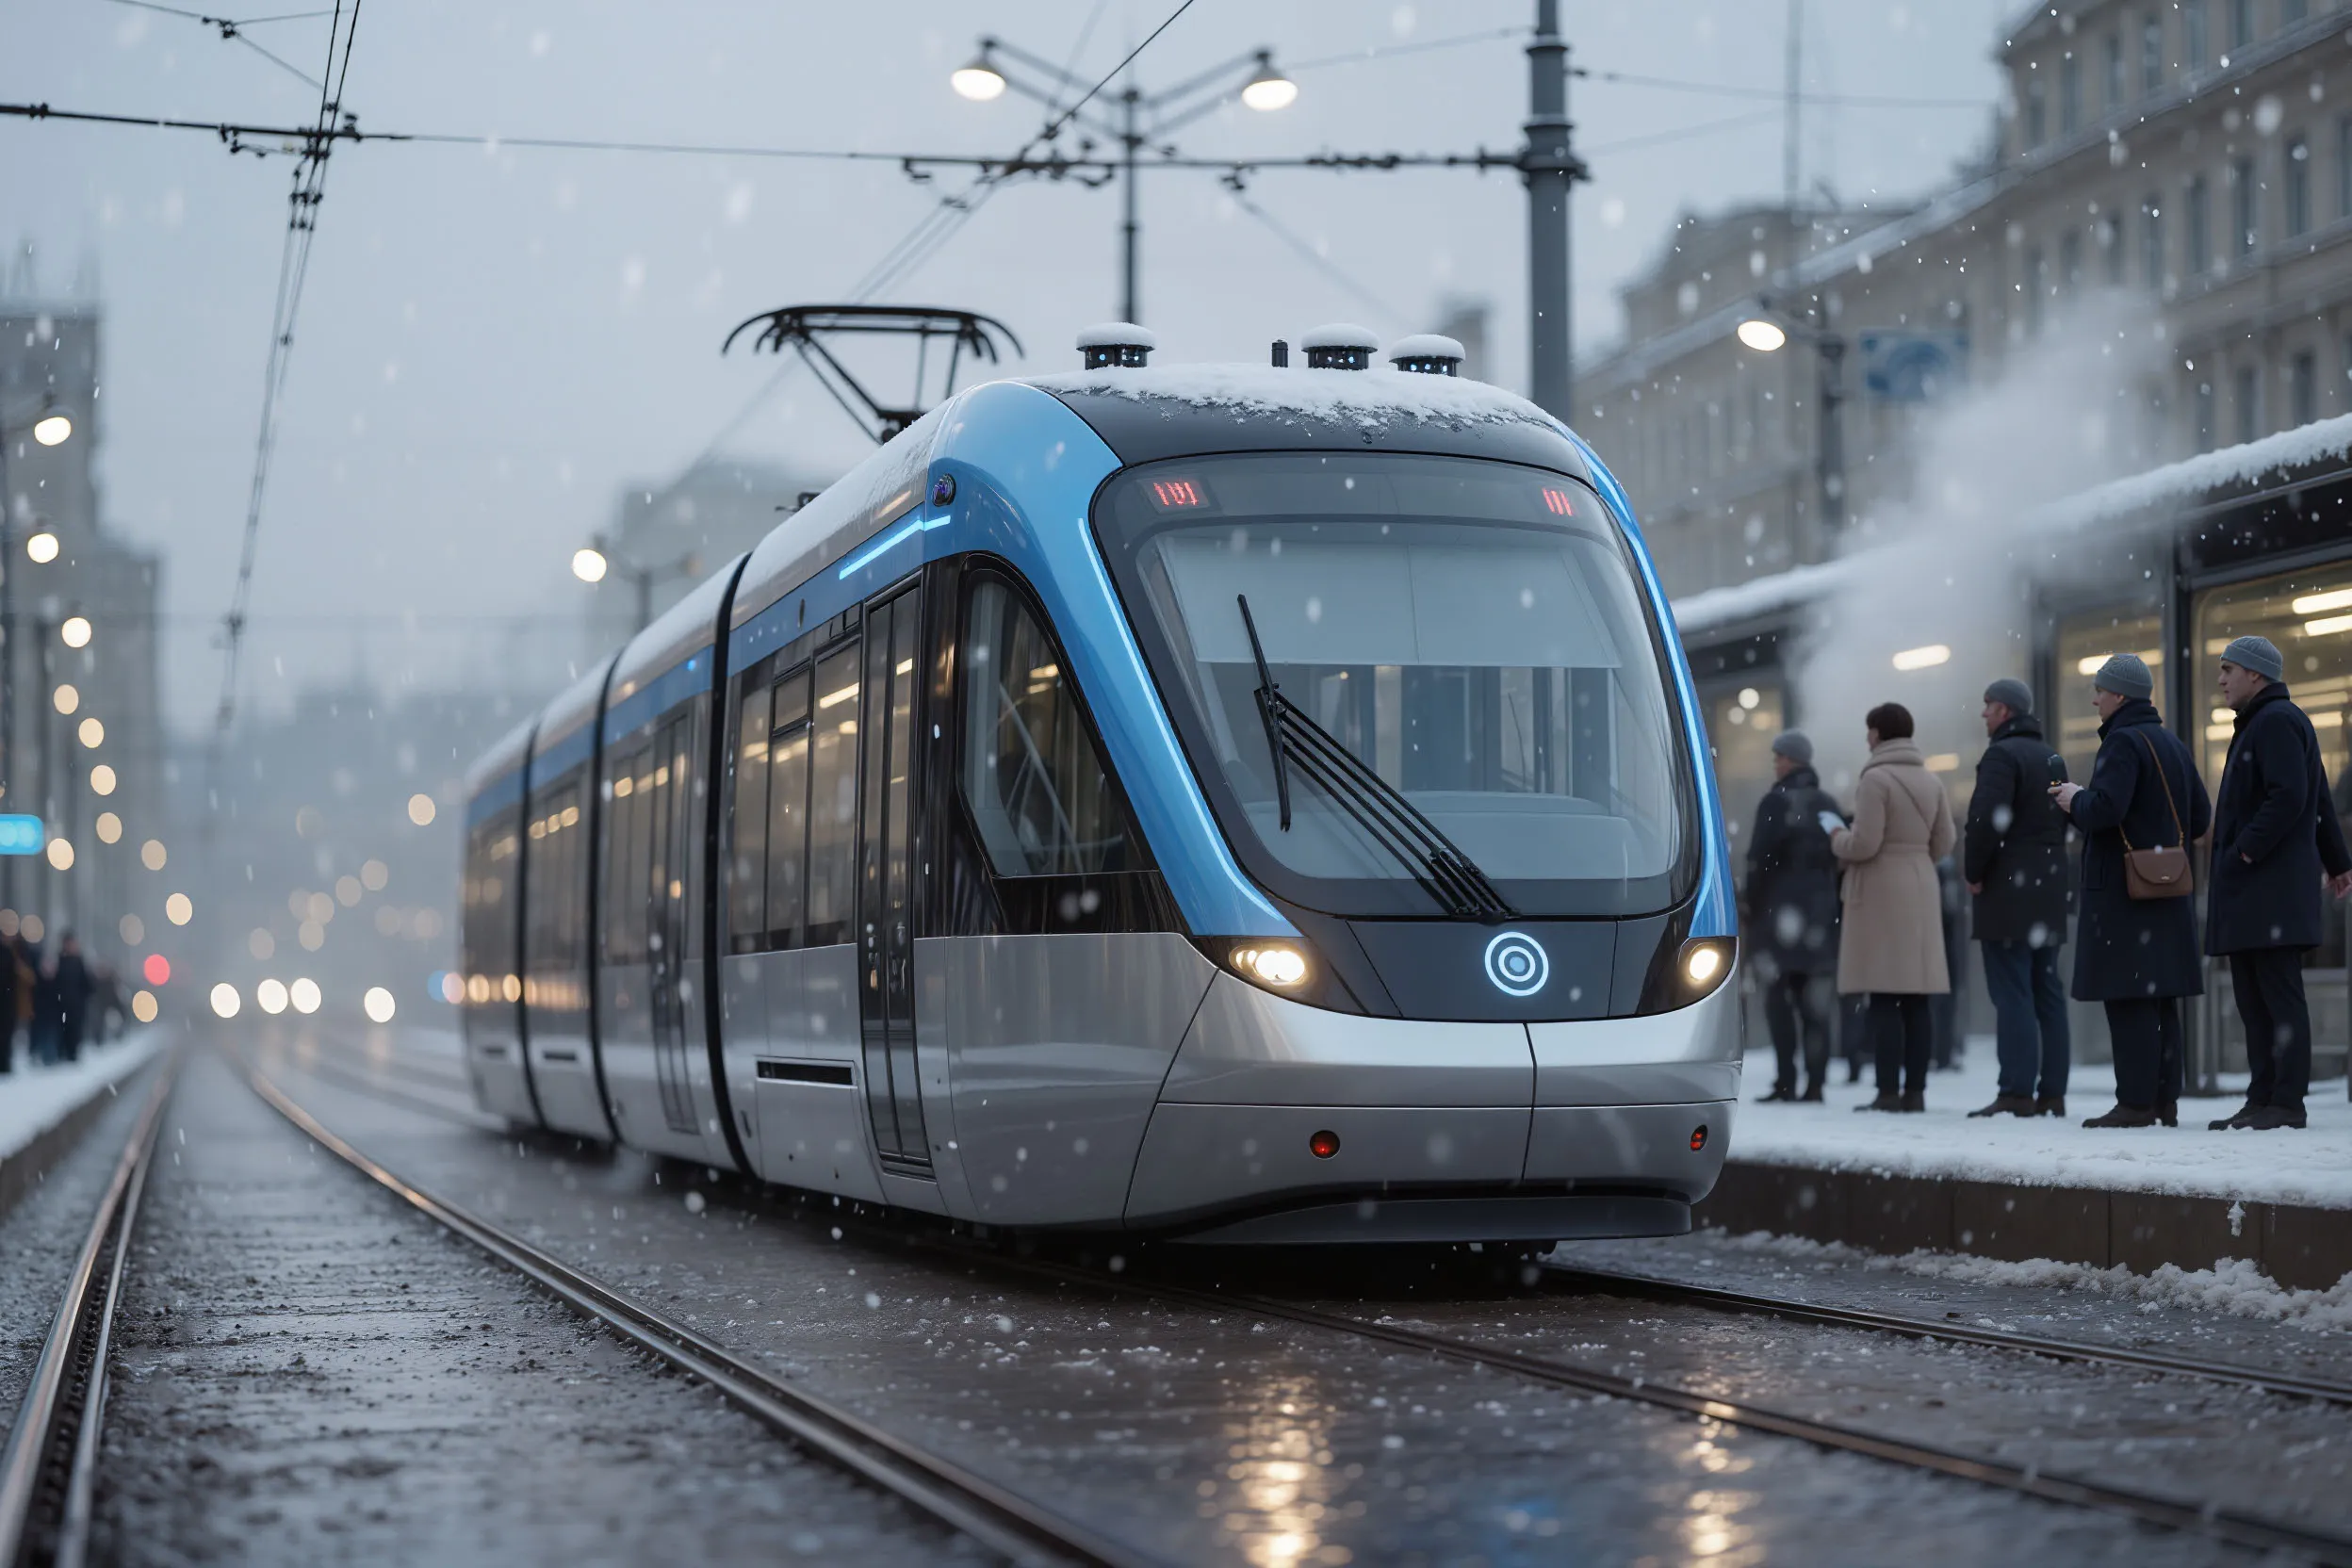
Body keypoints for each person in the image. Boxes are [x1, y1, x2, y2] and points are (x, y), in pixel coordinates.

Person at [2050, 653, 2211, 1128]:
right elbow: (2201, 817)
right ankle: (2164, 1100)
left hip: (2126, 894)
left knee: (2128, 997)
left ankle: (2135, 1103)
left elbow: (2106, 810)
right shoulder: (2171, 744)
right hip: (2168, 889)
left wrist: (2074, 798)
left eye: (2100, 691)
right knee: (2161, 998)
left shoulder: (2122, 742)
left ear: (2119, 695)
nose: (2095, 700)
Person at [2202, 636, 2352, 1131]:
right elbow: (2319, 799)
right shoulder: (2268, 722)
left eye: (2228, 670)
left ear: (2256, 674)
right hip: (2262, 891)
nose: (2221, 680)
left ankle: (2285, 1102)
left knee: (2276, 998)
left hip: (2268, 889)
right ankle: (2263, 1098)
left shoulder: (2275, 721)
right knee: (2255, 1000)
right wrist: (2338, 861)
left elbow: (2291, 796)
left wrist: (2245, 848)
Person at [1832, 701, 1957, 1113]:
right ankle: (1915, 1092)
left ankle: (1887, 1091)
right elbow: (1946, 841)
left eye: (1869, 729)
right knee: (1917, 997)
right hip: (1921, 885)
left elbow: (1864, 843)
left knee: (1885, 995)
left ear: (1879, 733)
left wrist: (1836, 838)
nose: (1867, 737)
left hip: (1883, 890)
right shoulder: (1931, 780)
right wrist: (1916, 858)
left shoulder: (1875, 779)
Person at [1963, 678, 2073, 1119]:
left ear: (2005, 711)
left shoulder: (2001, 756)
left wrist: (1974, 871)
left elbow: (1985, 821)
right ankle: (2053, 1092)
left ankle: (2016, 1091)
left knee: (2012, 991)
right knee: (2047, 990)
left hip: (2008, 890)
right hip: (2048, 888)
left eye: (1988, 705)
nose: (1983, 713)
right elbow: (2063, 820)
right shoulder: (2052, 758)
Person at [1744, 729, 1845, 1102]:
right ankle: (1816, 1082)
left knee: (1780, 1003)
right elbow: (1840, 856)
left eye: (1778, 758)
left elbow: (1759, 860)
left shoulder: (1775, 802)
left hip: (1779, 918)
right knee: (1815, 1005)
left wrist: (1751, 904)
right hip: (1818, 917)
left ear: (1790, 760)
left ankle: (1786, 1081)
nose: (1776, 764)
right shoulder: (1827, 805)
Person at [52, 932, 93, 1065]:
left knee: (75, 1029)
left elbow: (86, 983)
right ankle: (62, 1053)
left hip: (76, 1004)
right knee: (62, 1029)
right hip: (62, 1003)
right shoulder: (59, 961)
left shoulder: (78, 961)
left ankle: (72, 1053)